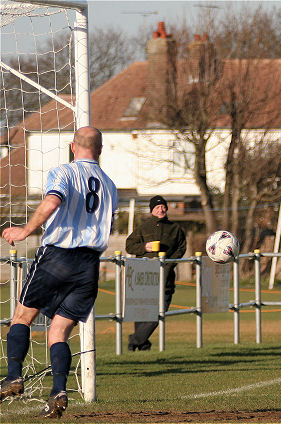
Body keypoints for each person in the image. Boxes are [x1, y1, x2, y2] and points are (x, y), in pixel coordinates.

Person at [0, 127, 118, 419]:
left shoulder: (64, 172)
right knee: (59, 330)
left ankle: (13, 375)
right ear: (100, 150)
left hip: (58, 256)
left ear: (72, 146)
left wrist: (26, 230)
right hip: (89, 265)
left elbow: (52, 201)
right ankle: (58, 392)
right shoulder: (110, 184)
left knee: (22, 317)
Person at [125, 195, 187, 351]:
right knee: (141, 313)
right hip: (143, 276)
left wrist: (169, 263)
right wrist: (145, 247)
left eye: (163, 206)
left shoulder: (175, 229)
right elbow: (129, 245)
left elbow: (181, 248)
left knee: (160, 310)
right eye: (158, 207)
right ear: (152, 210)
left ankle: (135, 340)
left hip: (165, 278)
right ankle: (142, 344)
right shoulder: (143, 228)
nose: (161, 209)